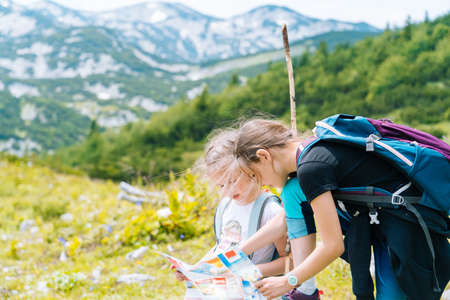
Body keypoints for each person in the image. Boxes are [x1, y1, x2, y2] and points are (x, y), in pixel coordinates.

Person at [225, 118, 449, 300]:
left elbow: (332, 246)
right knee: (292, 192)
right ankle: (305, 293)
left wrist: (288, 280)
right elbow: (286, 218)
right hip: (386, 223)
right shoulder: (311, 149)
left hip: (410, 228)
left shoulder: (311, 169)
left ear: (264, 156)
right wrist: (234, 255)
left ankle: (303, 291)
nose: (262, 183)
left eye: (256, 174)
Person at [173, 129, 320, 299]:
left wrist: (250, 272)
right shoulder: (225, 207)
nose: (228, 190)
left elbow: (289, 261)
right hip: (230, 284)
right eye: (221, 186)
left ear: (250, 169)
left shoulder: (270, 210)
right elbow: (222, 248)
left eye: (233, 181)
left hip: (260, 286)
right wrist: (196, 270)